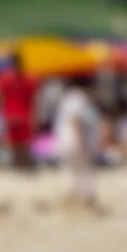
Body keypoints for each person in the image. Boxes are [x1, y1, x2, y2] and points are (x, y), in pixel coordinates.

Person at [56, 79, 102, 208]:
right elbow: (75, 121)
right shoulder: (76, 97)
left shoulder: (76, 98)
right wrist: (79, 143)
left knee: (78, 171)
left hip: (77, 142)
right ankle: (84, 197)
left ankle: (81, 196)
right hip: (77, 142)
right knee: (82, 171)